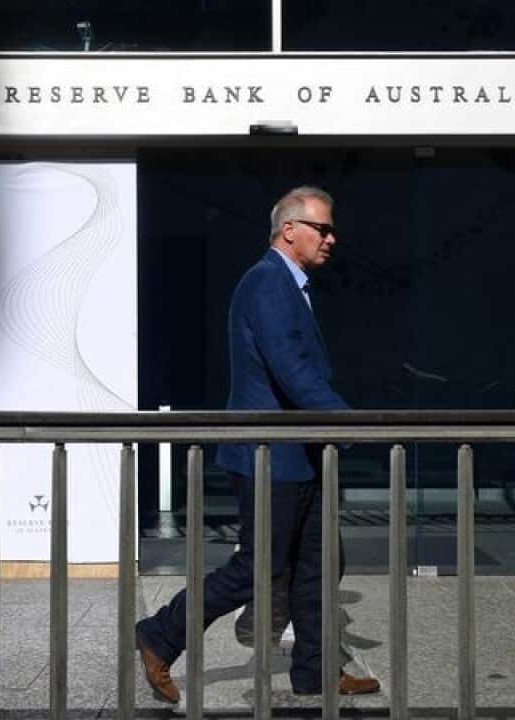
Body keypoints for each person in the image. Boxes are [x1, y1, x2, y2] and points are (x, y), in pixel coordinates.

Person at [135, 186, 380, 702]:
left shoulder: (291, 285)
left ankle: (313, 671)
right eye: (323, 228)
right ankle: (160, 634)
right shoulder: (267, 282)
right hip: (270, 456)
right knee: (258, 569)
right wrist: (353, 424)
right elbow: (292, 372)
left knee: (315, 568)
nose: (332, 239)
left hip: (300, 454)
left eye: (331, 229)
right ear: (289, 230)